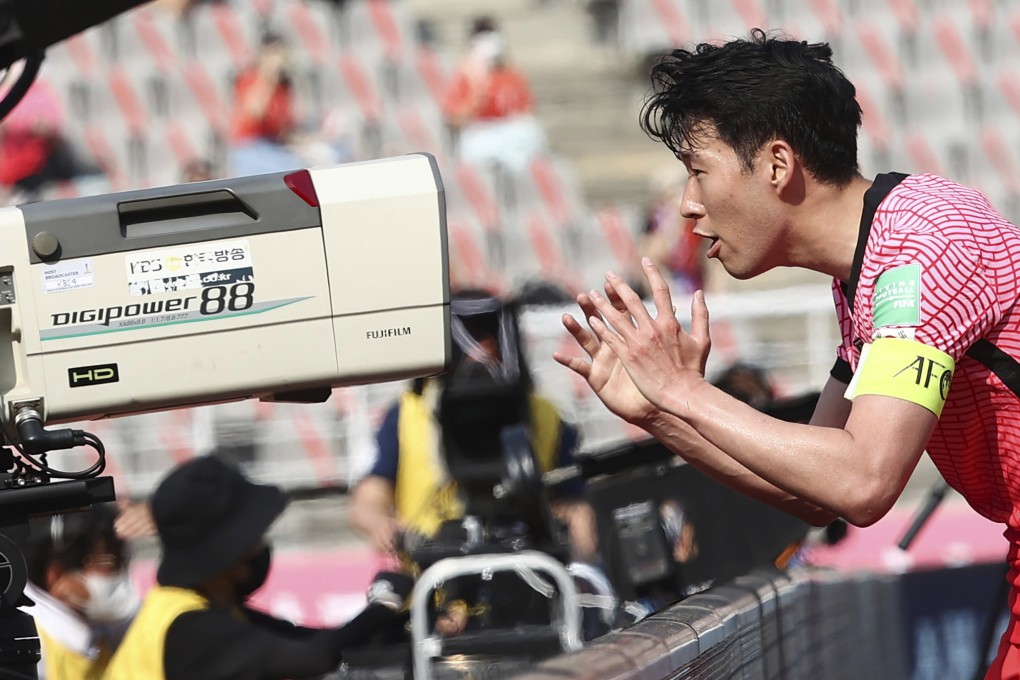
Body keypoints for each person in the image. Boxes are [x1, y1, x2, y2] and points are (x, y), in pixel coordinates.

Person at [553, 29, 1020, 680]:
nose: (687, 206)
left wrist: (687, 393)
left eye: (697, 171)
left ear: (776, 164)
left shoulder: (921, 245)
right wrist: (663, 414)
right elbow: (818, 494)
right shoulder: (868, 270)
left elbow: (863, 480)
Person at [349, 292, 597, 635]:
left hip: (528, 597)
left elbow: (578, 511)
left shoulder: (546, 415)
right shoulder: (407, 414)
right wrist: (382, 524)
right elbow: (367, 500)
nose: (480, 353)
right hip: (429, 598)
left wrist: (570, 557)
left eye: (488, 338)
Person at [102, 454, 412, 680]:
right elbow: (313, 657)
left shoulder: (204, 608)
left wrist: (412, 622)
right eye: (253, 539)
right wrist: (385, 602)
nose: (261, 548)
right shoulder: (190, 628)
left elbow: (317, 640)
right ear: (226, 555)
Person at [18, 504, 140, 680]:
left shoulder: (106, 627)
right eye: (109, 563)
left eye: (123, 560)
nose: (120, 574)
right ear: (57, 576)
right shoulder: (30, 648)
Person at [440, 16, 546, 171]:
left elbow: (526, 109)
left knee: (529, 132)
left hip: (509, 135)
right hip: (480, 136)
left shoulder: (511, 73)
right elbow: (453, 120)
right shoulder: (464, 75)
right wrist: (478, 90)